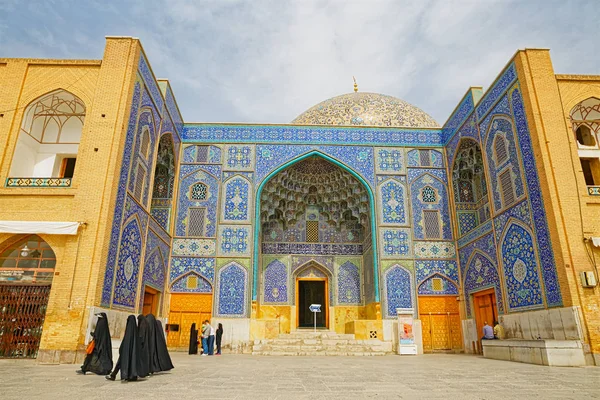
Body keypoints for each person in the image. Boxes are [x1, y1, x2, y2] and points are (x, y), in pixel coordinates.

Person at [106, 315, 141, 381]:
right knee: (129, 361)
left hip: (125, 351)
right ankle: (116, 375)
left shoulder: (128, 331)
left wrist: (122, 349)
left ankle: (115, 375)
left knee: (121, 361)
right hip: (132, 352)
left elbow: (125, 342)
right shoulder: (136, 332)